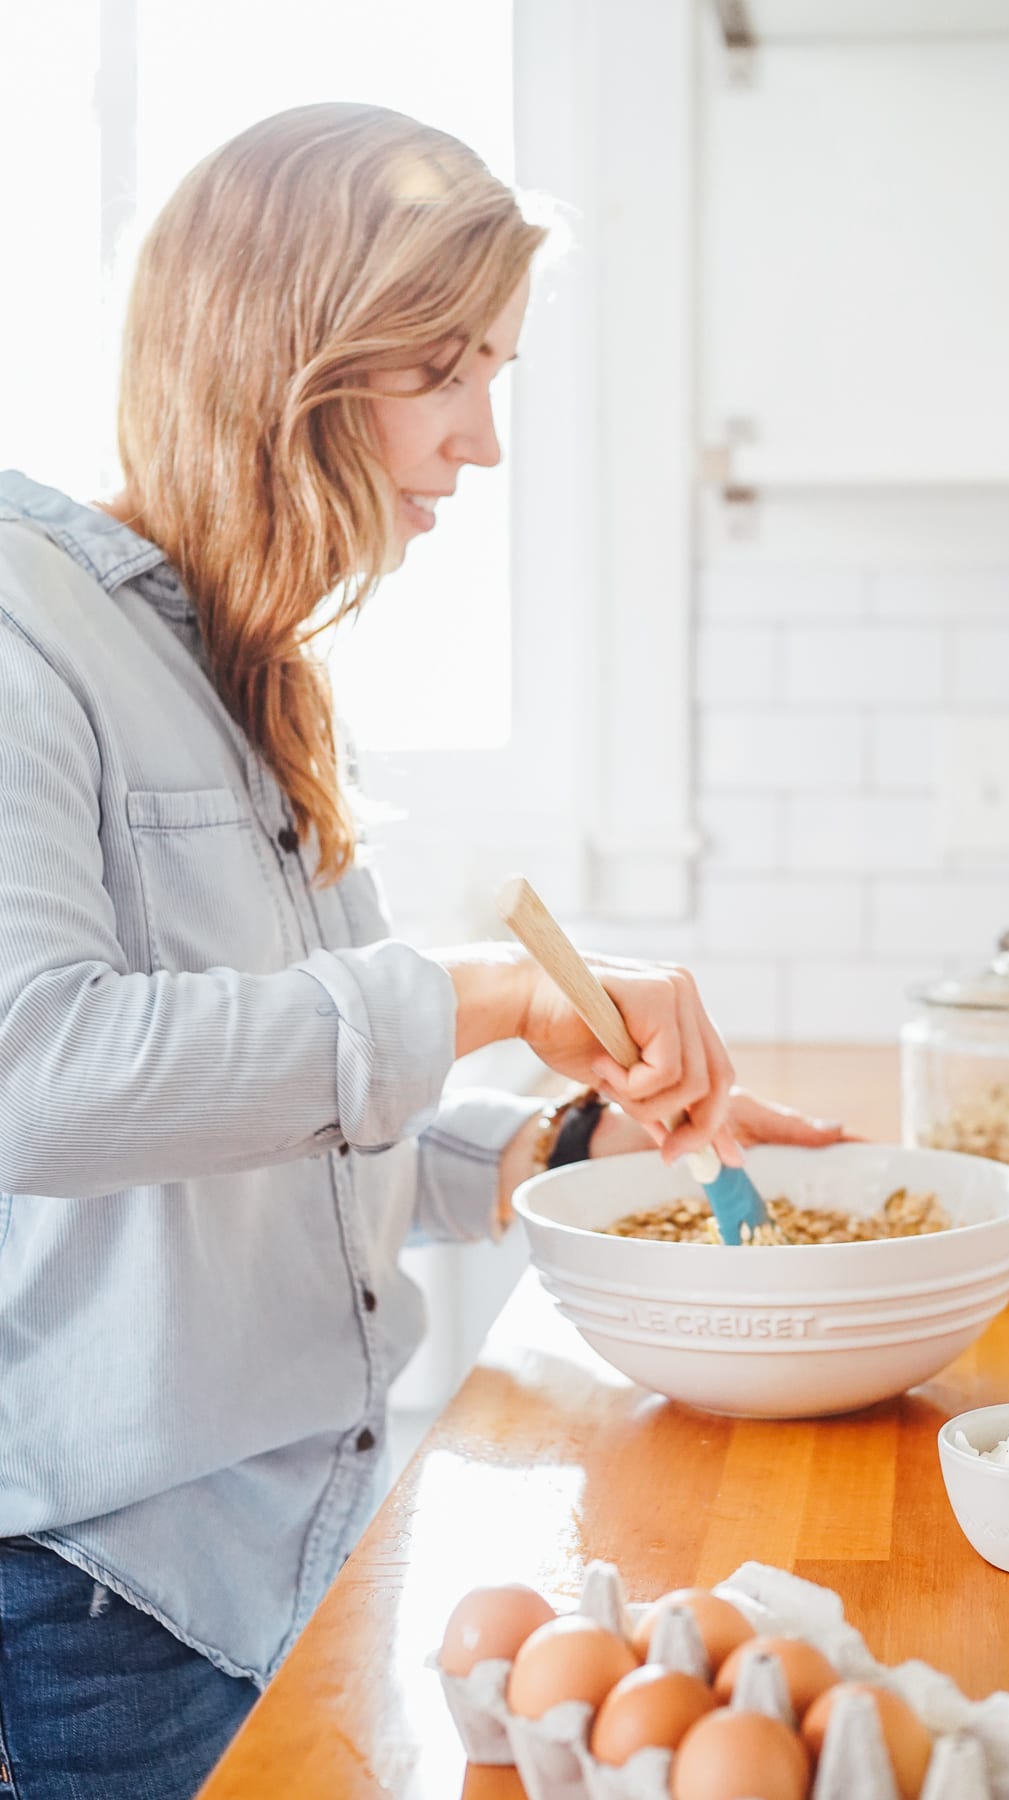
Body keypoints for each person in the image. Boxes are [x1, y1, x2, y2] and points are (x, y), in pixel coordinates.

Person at [0, 103, 846, 1800]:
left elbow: (301, 1128)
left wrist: (573, 1149)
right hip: (105, 1603)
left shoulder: (263, 673)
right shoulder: (27, 625)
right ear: (287, 357)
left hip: (294, 1551)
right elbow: (38, 1075)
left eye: (494, 372)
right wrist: (481, 991)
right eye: (444, 369)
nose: (482, 441)